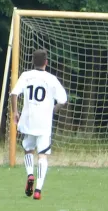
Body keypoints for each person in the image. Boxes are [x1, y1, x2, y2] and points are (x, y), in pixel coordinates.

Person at [10, 49, 68, 200]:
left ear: (32, 62)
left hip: (28, 120)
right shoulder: (51, 79)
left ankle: (30, 174)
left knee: (28, 150)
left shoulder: (26, 76)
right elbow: (63, 100)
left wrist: (15, 112)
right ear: (46, 63)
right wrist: (53, 110)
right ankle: (38, 190)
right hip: (44, 122)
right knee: (42, 155)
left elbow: (14, 93)